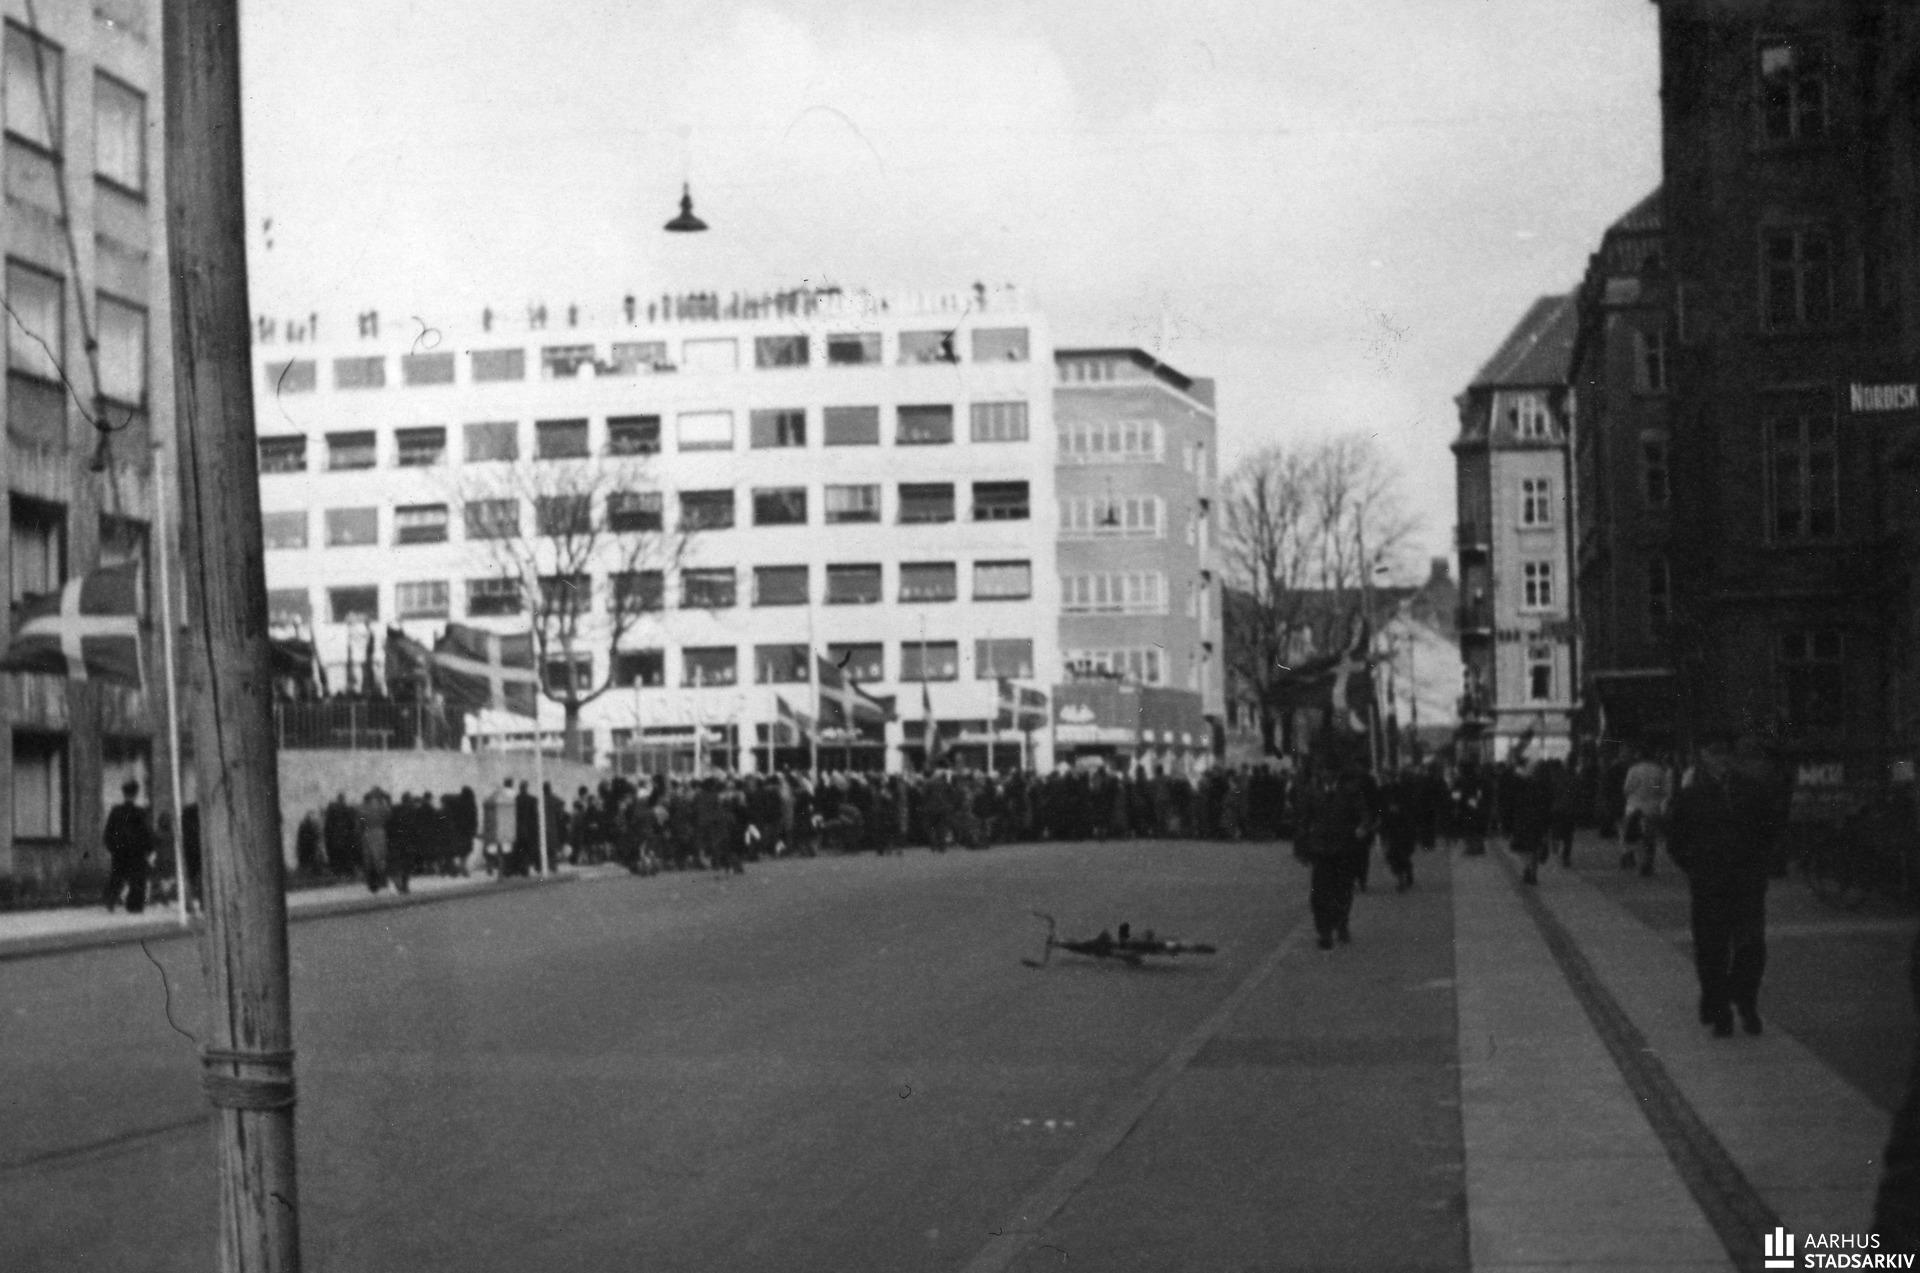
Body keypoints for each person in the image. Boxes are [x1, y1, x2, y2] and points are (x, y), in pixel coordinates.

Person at [1667, 734, 1787, 1038]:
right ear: (1702, 755)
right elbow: (1675, 840)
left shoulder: (1752, 790)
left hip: (1747, 882)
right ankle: (1720, 1011)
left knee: (1751, 947)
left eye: (1725, 752)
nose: (1721, 758)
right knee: (1711, 949)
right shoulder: (1690, 796)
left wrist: (1759, 863)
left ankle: (1746, 1001)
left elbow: (1771, 830)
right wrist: (1695, 867)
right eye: (1714, 751)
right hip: (1709, 884)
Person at [1294, 761, 1371, 950]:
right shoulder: (1312, 792)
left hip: (1344, 848)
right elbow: (1303, 821)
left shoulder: (1350, 792)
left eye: (1330, 770)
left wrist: (1362, 827)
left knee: (1343, 890)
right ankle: (1324, 931)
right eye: (1323, 770)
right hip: (1320, 850)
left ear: (1337, 773)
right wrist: (1301, 848)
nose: (1326, 774)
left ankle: (1341, 923)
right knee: (1319, 892)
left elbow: (1364, 813)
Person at [102, 779, 154, 914]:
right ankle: (134, 905)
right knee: (137, 879)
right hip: (136, 852)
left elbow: (108, 832)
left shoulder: (116, 811)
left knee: (117, 876)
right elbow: (146, 832)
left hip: (119, 851)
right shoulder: (140, 812)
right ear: (136, 794)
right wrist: (149, 849)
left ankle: (110, 899)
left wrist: (112, 847)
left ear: (123, 793)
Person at [1621, 748, 1673, 876]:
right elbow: (1665, 790)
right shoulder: (1659, 770)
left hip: (1634, 807)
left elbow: (1627, 788)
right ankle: (1648, 863)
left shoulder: (1633, 770)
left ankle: (1634, 858)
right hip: (1652, 808)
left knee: (1634, 835)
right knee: (1650, 837)